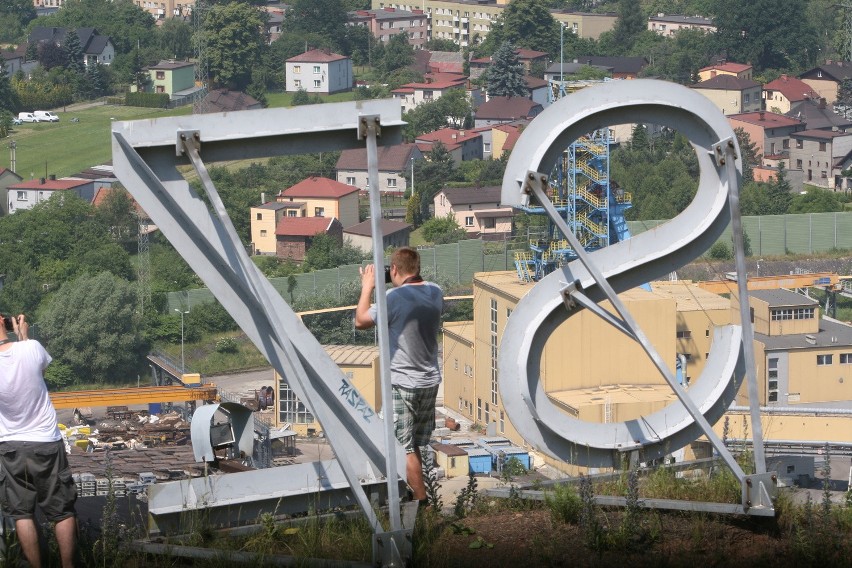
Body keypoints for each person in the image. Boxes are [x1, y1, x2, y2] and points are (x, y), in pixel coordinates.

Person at [355, 247, 443, 505]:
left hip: (404, 383)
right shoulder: (436, 292)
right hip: (430, 380)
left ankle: (421, 502)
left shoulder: (392, 298)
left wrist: (368, 286)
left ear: (393, 270)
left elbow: (360, 321)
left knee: (401, 447)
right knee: (413, 444)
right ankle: (412, 494)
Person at [0, 314, 77, 568]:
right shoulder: (31, 348)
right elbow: (38, 368)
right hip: (45, 441)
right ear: (2, 322)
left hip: (10, 445)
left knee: (21, 512)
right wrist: (23, 334)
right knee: (62, 511)